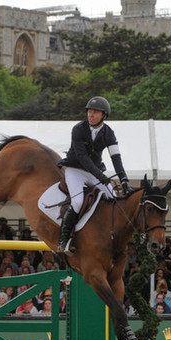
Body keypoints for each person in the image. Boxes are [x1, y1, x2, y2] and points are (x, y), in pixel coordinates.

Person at [57, 96, 131, 254]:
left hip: (94, 172)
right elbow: (82, 157)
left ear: (104, 116)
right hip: (75, 169)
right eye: (89, 111)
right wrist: (100, 175)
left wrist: (124, 179)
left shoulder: (109, 133)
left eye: (95, 112)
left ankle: (109, 236)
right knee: (77, 202)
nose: (90, 115)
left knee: (113, 198)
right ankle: (64, 239)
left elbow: (116, 158)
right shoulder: (78, 129)